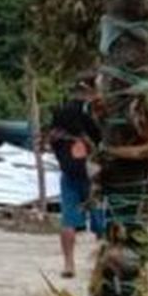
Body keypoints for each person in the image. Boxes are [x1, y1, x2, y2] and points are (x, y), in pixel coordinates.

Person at [47, 75, 104, 278]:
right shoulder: (93, 112)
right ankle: (103, 264)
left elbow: (51, 140)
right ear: (90, 90)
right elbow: (102, 138)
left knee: (68, 221)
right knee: (101, 223)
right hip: (93, 174)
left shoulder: (61, 112)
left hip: (69, 172)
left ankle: (69, 265)